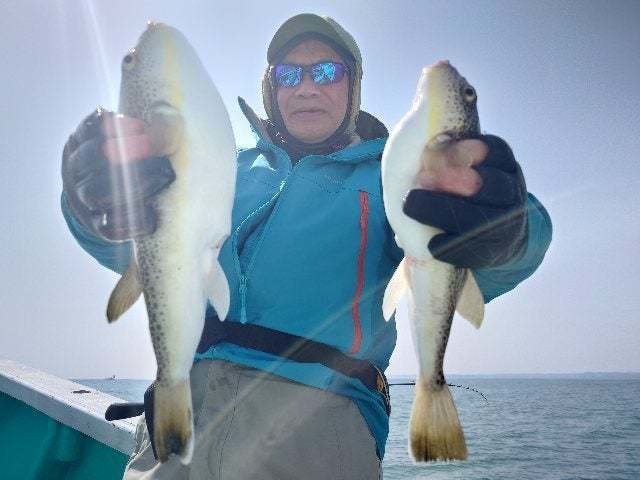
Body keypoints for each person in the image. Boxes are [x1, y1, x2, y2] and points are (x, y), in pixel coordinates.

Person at [61, 13, 552, 480]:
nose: (307, 87)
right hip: (180, 416)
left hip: (316, 423)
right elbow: (139, 251)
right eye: (289, 74)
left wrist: (507, 225)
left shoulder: (392, 177)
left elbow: (481, 262)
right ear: (271, 87)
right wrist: (94, 202)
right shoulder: (223, 167)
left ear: (353, 86)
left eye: (327, 72)